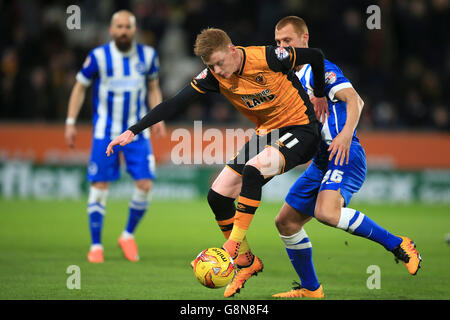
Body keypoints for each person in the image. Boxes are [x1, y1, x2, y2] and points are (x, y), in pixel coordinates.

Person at [106, 27, 329, 297]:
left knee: (253, 170)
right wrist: (133, 130)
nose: (219, 71)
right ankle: (246, 261)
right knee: (218, 195)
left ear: (232, 50)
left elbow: (316, 55)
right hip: (267, 134)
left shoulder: (269, 57)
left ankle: (233, 246)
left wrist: (318, 92)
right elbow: (175, 103)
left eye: (220, 63)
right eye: (211, 66)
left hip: (302, 130)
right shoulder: (213, 76)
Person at [271, 16, 422, 298]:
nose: (282, 47)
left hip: (344, 152)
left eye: (287, 41)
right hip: (320, 161)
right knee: (286, 222)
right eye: (278, 42)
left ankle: (398, 243)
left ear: (305, 40)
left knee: (326, 213)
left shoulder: (323, 71)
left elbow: (356, 100)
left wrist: (343, 135)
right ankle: (311, 289)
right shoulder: (287, 78)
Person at [65, 10, 166, 263]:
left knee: (145, 184)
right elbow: (80, 86)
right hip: (104, 133)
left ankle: (127, 235)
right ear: (111, 30)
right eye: (119, 26)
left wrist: (158, 118)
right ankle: (96, 245)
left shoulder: (149, 56)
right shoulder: (98, 56)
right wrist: (70, 121)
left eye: (127, 27)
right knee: (100, 186)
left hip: (137, 133)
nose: (123, 31)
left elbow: (153, 88)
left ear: (134, 30)